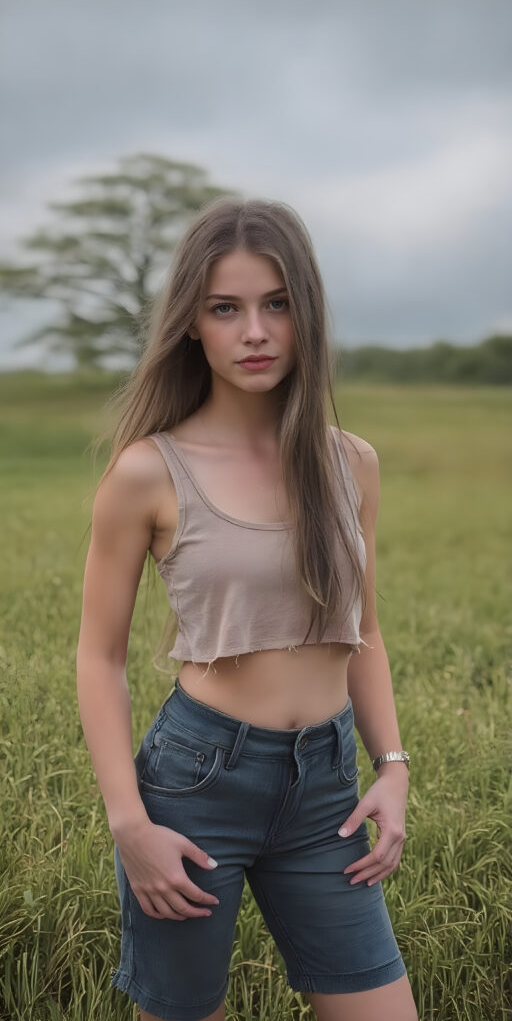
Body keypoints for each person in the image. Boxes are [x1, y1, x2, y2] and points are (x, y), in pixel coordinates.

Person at [76, 196, 418, 1021]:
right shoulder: (146, 472)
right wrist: (130, 823)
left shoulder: (351, 464)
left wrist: (393, 767)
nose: (254, 332)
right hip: (198, 784)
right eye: (225, 309)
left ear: (307, 314)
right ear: (192, 323)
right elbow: (100, 657)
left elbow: (360, 630)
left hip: (327, 790)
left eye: (277, 304)